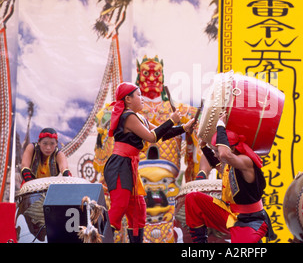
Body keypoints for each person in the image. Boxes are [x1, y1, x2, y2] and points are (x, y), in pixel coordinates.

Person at [103, 82, 194, 243]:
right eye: (138, 95)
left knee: (138, 209)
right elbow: (151, 138)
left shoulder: (139, 117)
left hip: (129, 166)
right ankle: (99, 239)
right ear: (128, 99)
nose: (142, 98)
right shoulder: (127, 116)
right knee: (119, 207)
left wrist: (183, 128)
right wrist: (172, 120)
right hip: (119, 165)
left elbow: (161, 134)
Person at [185, 112, 275, 243]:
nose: (216, 155)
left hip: (250, 220)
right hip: (230, 213)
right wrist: (204, 146)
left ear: (231, 149)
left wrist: (221, 126)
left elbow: (224, 155)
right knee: (193, 199)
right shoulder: (230, 163)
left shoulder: (245, 161)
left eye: (216, 151)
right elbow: (217, 164)